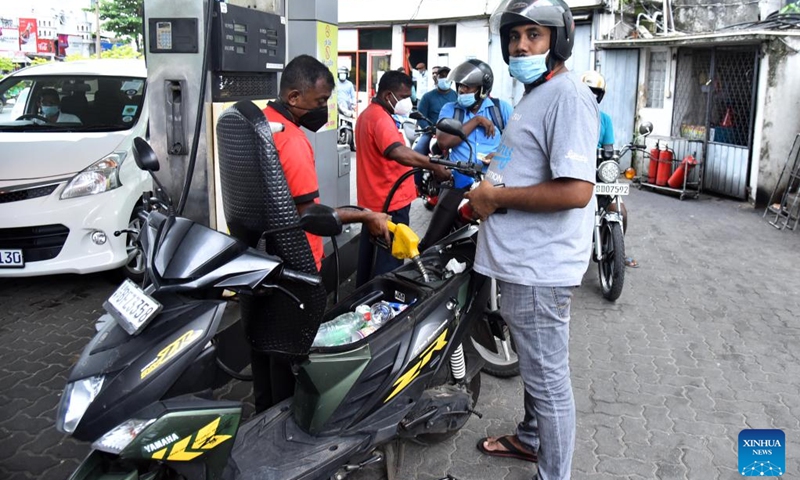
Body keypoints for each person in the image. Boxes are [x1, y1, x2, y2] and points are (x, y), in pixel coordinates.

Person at [466, 1, 599, 479]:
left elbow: (576, 190)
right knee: (536, 365)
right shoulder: (531, 95)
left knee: (548, 382)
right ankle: (530, 439)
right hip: (520, 262)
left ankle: (553, 473)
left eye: (534, 35)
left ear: (557, 40)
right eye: (514, 36)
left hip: (539, 269)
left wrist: (496, 197)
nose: (520, 45)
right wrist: (480, 186)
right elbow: (506, 159)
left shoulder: (567, 96)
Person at [254, 54, 391, 412]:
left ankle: (264, 414)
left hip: (262, 256)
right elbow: (310, 214)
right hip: (297, 263)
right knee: (293, 354)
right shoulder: (292, 141)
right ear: (295, 97)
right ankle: (289, 426)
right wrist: (365, 215)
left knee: (267, 348)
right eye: (319, 102)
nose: (324, 110)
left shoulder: (261, 124)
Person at [354, 70, 450, 286]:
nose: (408, 101)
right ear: (389, 95)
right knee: (389, 264)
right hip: (389, 204)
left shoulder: (370, 114)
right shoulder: (379, 118)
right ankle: (384, 309)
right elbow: (398, 152)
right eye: (404, 96)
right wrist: (434, 165)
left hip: (375, 203)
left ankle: (364, 298)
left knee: (370, 260)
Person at [580, 70, 639, 268]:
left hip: (598, 173)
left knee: (621, 211)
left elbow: (608, 148)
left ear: (600, 95)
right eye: (587, 91)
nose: (591, 95)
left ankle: (617, 250)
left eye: (595, 92)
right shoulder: (571, 115)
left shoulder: (605, 119)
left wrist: (608, 155)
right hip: (576, 173)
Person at [436, 59, 512, 190]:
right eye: (460, 85)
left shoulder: (501, 109)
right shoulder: (450, 109)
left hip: (494, 181)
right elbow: (443, 142)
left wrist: (501, 157)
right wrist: (477, 121)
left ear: (483, 89)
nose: (461, 90)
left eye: (468, 86)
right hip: (459, 182)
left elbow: (520, 143)